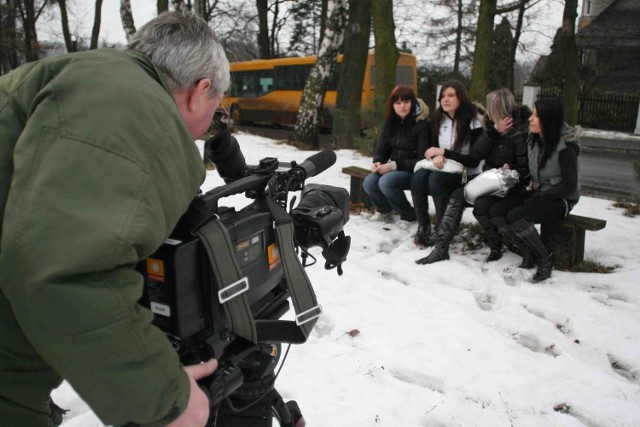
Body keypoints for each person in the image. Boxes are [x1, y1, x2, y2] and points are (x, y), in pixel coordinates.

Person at [0, 11, 229, 427]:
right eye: (215, 111)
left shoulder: (88, 77)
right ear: (201, 91)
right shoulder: (133, 103)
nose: (206, 129)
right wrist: (165, 398)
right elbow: (65, 269)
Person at [489, 97, 581, 281]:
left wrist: (541, 194)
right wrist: (511, 173)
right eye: (532, 114)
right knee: (496, 212)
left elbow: (569, 185)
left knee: (517, 217)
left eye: (536, 116)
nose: (531, 118)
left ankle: (545, 258)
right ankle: (527, 252)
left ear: (548, 119)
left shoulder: (566, 146)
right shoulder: (535, 140)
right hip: (540, 193)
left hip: (561, 199)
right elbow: (531, 173)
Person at [411, 80, 483, 247]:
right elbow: (430, 150)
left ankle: (444, 229)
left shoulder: (474, 123)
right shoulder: (438, 120)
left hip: (467, 175)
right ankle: (424, 226)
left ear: (462, 98)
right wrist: (435, 156)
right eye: (442, 96)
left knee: (435, 179)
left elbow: (474, 160)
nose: (445, 99)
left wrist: (443, 153)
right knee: (418, 177)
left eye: (451, 95)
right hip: (444, 168)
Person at [471, 89, 531, 262]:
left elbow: (525, 171)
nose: (486, 111)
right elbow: (476, 154)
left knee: (496, 210)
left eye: (489, 107)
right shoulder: (491, 127)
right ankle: (496, 246)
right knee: (479, 207)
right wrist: (494, 132)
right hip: (492, 183)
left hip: (513, 186)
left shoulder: (520, 132)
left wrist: (510, 170)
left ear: (496, 109)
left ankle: (523, 247)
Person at [363, 85, 431, 225]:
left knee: (386, 182)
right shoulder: (390, 123)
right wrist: (378, 161)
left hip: (415, 171)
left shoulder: (422, 124)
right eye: (398, 103)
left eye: (406, 102)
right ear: (392, 105)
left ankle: (409, 214)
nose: (402, 106)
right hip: (394, 168)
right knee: (369, 182)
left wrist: (393, 165)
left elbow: (421, 159)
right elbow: (382, 148)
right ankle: (385, 209)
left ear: (413, 103)